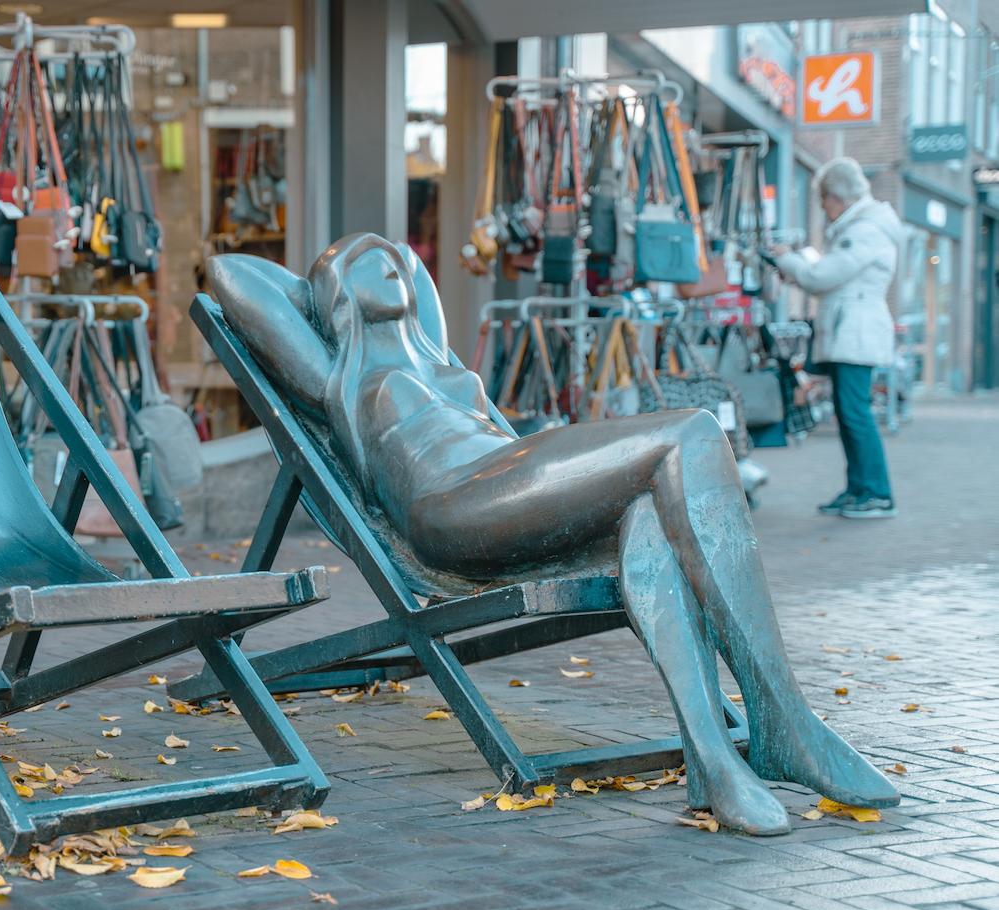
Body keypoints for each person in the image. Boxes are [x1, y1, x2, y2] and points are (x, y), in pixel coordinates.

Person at [210, 234, 897, 837]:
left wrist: (386, 263)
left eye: (398, 259)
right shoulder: (337, 375)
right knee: (689, 430)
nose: (394, 266)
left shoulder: (440, 361)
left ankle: (714, 763)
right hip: (450, 509)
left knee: (649, 519)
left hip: (503, 483)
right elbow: (232, 276)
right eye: (368, 261)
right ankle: (788, 724)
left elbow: (420, 286)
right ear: (336, 296)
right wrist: (321, 275)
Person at [772, 157, 901, 519]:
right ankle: (859, 488)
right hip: (851, 331)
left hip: (856, 333)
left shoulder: (865, 230)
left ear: (838, 197)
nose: (822, 208)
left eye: (824, 200)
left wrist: (790, 262)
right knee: (849, 413)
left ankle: (875, 492)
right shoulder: (860, 228)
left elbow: (823, 277)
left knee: (855, 413)